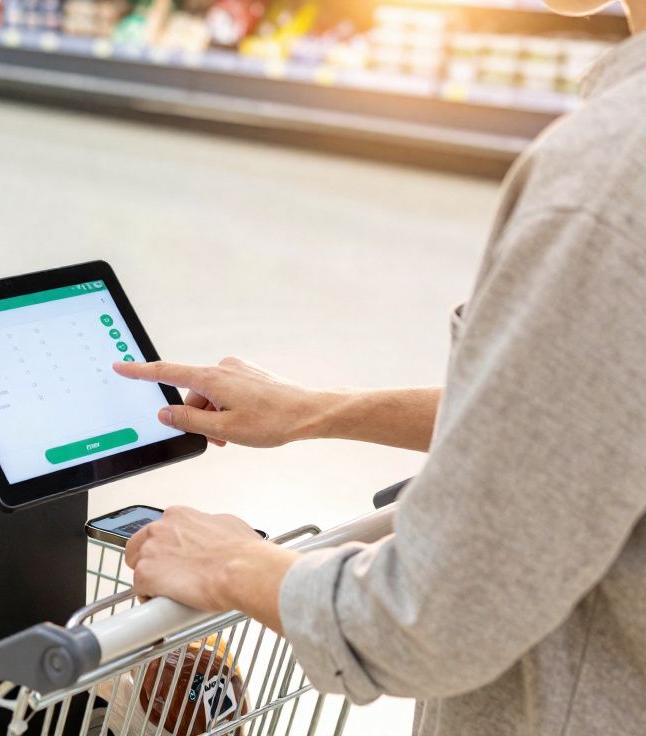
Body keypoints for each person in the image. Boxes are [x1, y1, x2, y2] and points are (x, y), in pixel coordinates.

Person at [110, 0, 646, 732]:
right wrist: (317, 411)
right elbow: (586, 413)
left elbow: (438, 614)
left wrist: (232, 564)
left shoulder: (608, 176)